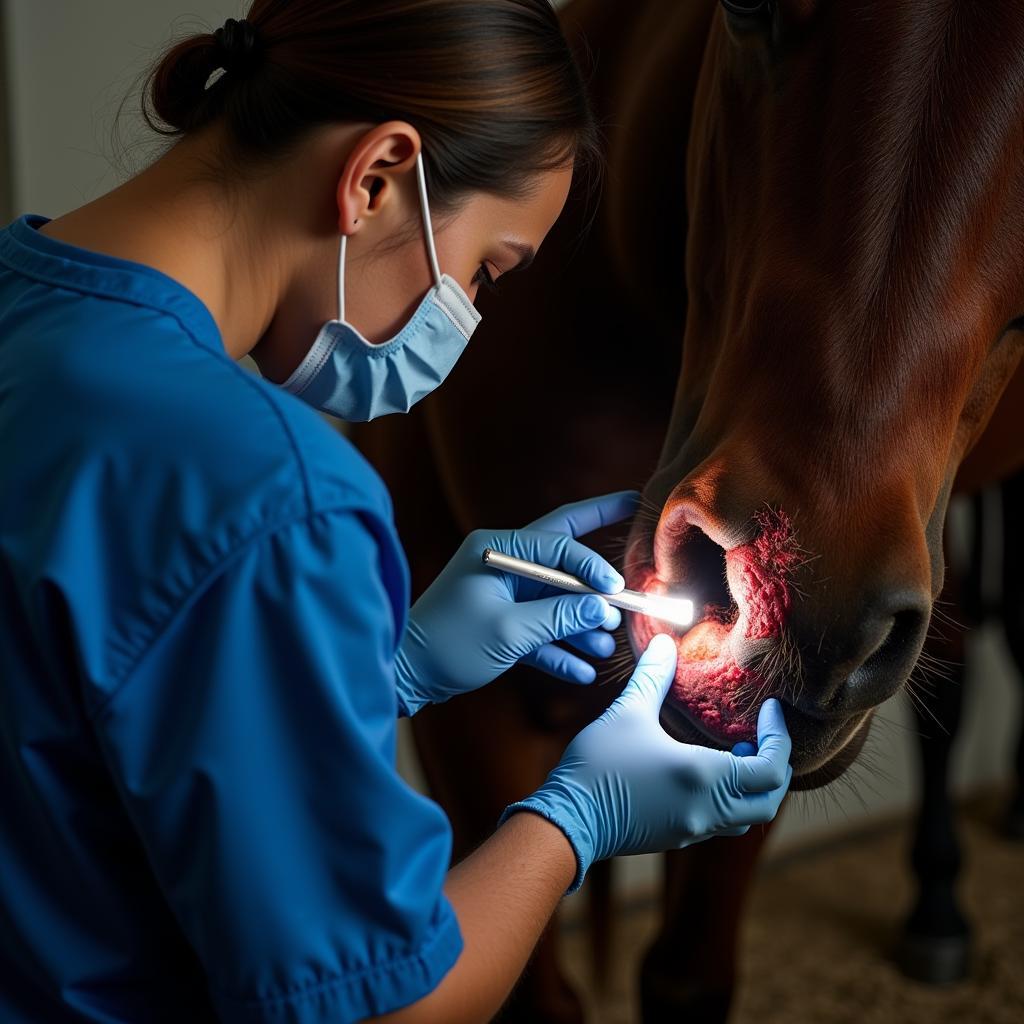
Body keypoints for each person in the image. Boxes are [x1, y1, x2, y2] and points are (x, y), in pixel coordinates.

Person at [0, 3, 792, 1022]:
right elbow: (382, 1008)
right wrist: (576, 816)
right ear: (376, 176)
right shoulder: (275, 495)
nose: (461, 315)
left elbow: (85, 727)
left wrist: (387, 669)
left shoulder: (26, 305)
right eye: (483, 272)